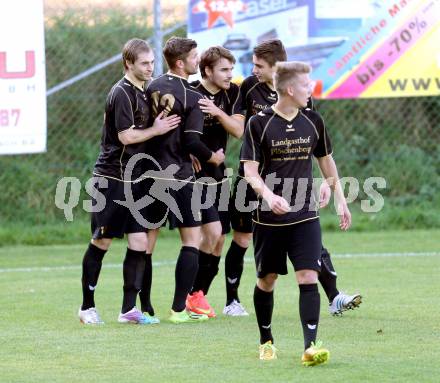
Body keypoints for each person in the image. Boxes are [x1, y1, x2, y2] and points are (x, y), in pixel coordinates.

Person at [225, 39, 361, 316]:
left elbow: (316, 146)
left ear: (278, 70)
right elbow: (241, 131)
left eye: (259, 66)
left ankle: (334, 296)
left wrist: (328, 185)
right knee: (241, 240)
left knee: (310, 241)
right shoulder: (249, 88)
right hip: (254, 179)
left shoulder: (300, 94)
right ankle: (232, 301)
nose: (253, 70)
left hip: (292, 186)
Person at [241, 61, 352, 365]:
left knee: (308, 275)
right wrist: (268, 194)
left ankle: (310, 346)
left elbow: (326, 160)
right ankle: (266, 340)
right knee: (268, 279)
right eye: (306, 85)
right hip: (269, 217)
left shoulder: (313, 120)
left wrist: (340, 197)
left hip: (305, 213)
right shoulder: (258, 124)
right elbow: (249, 171)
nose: (310, 89)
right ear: (290, 89)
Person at [78, 38, 180, 324]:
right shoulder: (120, 93)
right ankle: (87, 307)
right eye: (144, 63)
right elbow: (126, 136)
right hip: (111, 179)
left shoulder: (145, 91)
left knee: (139, 241)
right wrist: (156, 129)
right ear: (129, 64)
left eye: (152, 62)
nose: (151, 68)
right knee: (102, 241)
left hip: (134, 180)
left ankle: (128, 310)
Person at [143, 36, 225, 324]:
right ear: (181, 63)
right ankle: (179, 310)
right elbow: (192, 143)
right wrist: (213, 157)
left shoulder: (150, 87)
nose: (197, 61)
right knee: (191, 240)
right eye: (194, 57)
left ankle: (143, 308)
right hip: (180, 175)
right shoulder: (193, 96)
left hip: (149, 174)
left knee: (147, 243)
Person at [184, 46, 245, 318]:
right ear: (207, 70)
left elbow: (239, 130)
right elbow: (177, 131)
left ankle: (199, 296)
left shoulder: (233, 93)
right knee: (205, 235)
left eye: (231, 69)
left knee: (218, 239)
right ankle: (188, 295)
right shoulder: (191, 92)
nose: (229, 75)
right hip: (196, 174)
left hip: (219, 173)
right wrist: (190, 152)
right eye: (223, 69)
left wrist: (217, 112)